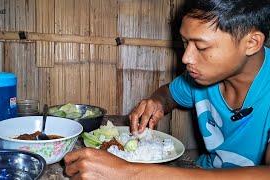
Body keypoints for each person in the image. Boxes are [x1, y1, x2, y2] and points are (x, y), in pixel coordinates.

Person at [64, 0, 270, 179]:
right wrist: (157, 102)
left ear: (252, 43)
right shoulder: (201, 78)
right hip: (198, 169)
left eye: (201, 47)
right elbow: (169, 94)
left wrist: (131, 174)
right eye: (185, 42)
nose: (186, 58)